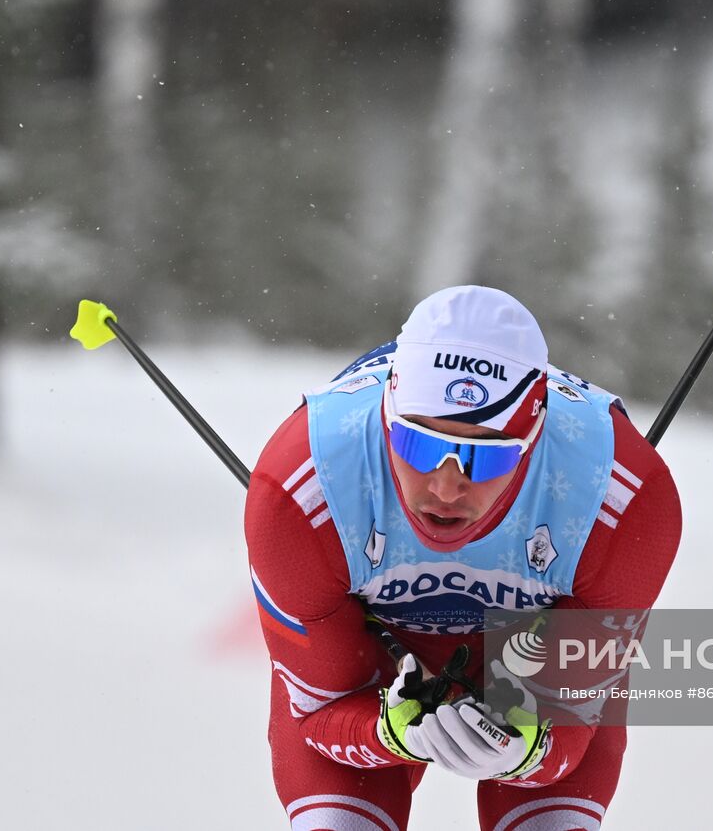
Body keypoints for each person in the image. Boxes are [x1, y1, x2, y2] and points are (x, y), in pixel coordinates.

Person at [244, 285, 682, 830]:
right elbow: (319, 716)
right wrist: (383, 732)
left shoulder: (620, 502)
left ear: (535, 437)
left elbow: (576, 728)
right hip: (372, 655)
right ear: (387, 414)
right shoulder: (303, 491)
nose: (447, 487)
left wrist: (532, 751)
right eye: (418, 445)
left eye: (484, 455)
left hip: (535, 649)